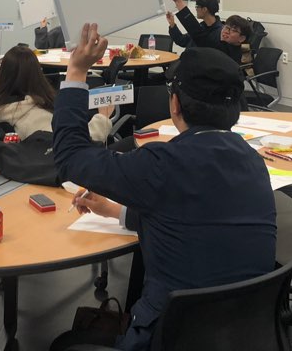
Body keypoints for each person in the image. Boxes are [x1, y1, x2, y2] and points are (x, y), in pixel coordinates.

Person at [50, 27, 276, 351]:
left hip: (170, 336)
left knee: (64, 344)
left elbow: (71, 156)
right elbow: (192, 216)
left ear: (175, 104)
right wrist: (116, 211)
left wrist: (76, 72)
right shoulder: (253, 162)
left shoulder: (161, 164)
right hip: (243, 334)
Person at [0, 0, 111, 142]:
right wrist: (103, 117)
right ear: (37, 75)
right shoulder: (35, 118)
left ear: (3, 73)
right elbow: (75, 142)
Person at [164, 0, 250, 63]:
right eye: (227, 28)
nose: (226, 31)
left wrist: (179, 1)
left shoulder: (220, 35)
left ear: (204, 9)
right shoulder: (203, 26)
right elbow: (182, 41)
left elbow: (198, 35)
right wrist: (172, 25)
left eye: (197, 6)